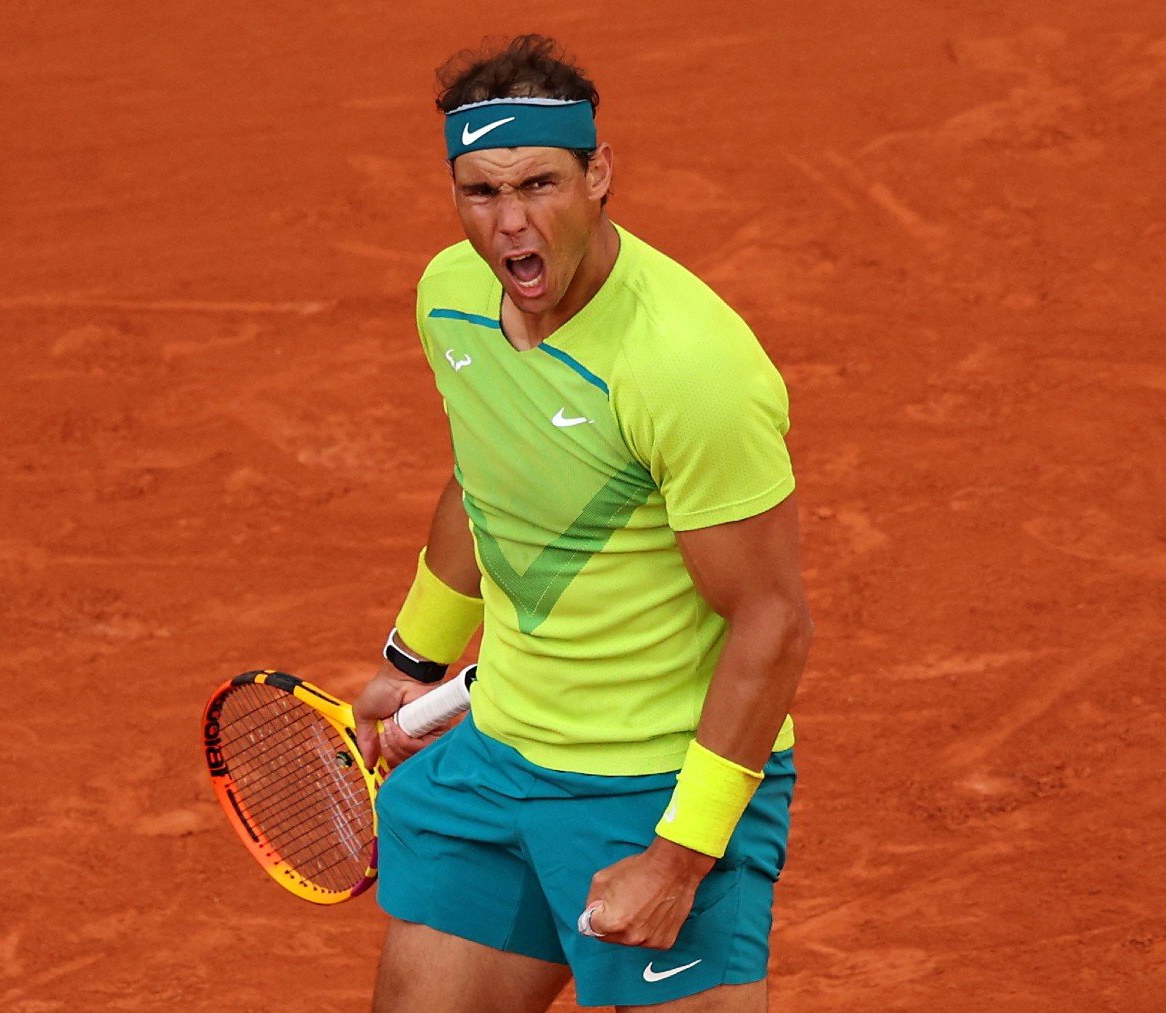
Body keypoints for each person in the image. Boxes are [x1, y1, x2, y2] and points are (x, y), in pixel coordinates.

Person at [350, 34, 812, 1013]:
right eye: (481, 191)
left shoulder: (689, 366)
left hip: (651, 785)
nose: (511, 224)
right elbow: (487, 479)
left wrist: (681, 856)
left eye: (540, 184)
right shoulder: (451, 299)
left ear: (599, 173)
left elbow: (771, 620)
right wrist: (417, 661)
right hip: (502, 758)